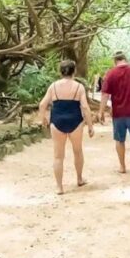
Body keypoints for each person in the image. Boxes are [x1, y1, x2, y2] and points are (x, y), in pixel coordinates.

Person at [39, 60, 94, 195]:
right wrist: (90, 125)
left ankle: (59, 187)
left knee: (58, 156)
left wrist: (43, 118)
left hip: (57, 121)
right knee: (77, 151)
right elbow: (85, 107)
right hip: (76, 121)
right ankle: (79, 179)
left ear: (60, 72)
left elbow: (42, 105)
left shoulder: (53, 86)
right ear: (74, 71)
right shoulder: (79, 87)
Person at [99, 51, 130, 174]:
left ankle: (122, 166)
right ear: (125, 59)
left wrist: (101, 112)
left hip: (118, 113)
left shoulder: (110, 74)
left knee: (119, 140)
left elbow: (105, 94)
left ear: (115, 61)